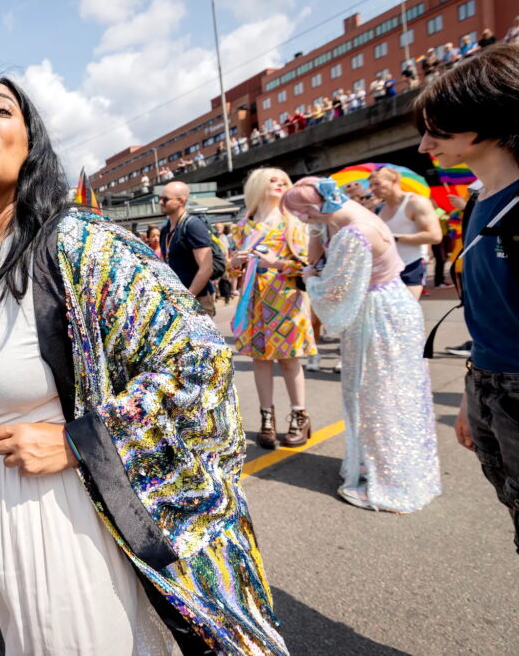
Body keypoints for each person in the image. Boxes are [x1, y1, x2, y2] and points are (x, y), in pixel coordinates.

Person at [0, 77, 287, 654]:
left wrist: (82, 442)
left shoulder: (79, 243)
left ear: (30, 144)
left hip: (61, 512)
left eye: (0, 110)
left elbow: (200, 361)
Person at [284, 178, 442, 512]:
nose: (299, 221)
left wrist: (309, 279)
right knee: (392, 394)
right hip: (392, 305)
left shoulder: (352, 234)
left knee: (377, 396)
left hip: (377, 315)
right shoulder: (358, 215)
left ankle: (390, 481)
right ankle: (390, 469)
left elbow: (336, 293)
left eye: (300, 214)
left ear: (310, 210)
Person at [416, 43, 519, 552]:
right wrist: (471, 395)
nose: (424, 146)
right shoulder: (477, 203)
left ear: (489, 121)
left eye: (438, 131)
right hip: (488, 386)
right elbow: (486, 315)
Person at [230, 167, 316, 449]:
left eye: (283, 181)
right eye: (273, 180)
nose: (280, 184)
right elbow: (233, 268)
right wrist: (236, 263)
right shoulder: (243, 226)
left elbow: (307, 266)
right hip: (253, 301)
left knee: (290, 360)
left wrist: (276, 263)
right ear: (257, 186)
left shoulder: (293, 222)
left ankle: (299, 416)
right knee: (260, 360)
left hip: (287, 301)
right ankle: (267, 419)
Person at [369, 166, 442, 299]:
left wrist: (395, 238)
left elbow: (435, 236)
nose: (372, 189)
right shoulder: (379, 208)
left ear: (394, 181)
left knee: (407, 310)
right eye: (371, 185)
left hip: (411, 266)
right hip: (386, 270)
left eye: (377, 184)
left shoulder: (416, 202)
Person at [158, 181, 216, 316]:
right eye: (160, 198)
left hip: (197, 299)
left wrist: (188, 297)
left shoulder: (193, 225)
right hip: (176, 299)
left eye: (165, 199)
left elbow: (206, 268)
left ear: (181, 201)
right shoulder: (165, 229)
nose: (160, 202)